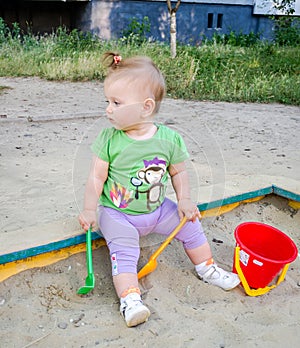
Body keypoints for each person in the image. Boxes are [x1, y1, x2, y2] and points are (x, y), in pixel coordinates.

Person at [78, 52, 240, 327]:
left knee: (190, 225)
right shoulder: (109, 138)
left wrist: (185, 200)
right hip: (118, 213)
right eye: (108, 101)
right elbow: (96, 177)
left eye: (116, 102)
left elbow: (178, 172)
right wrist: (89, 209)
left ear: (146, 106)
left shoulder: (169, 139)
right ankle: (130, 299)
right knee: (125, 248)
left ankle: (207, 268)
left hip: (157, 209)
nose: (108, 109)